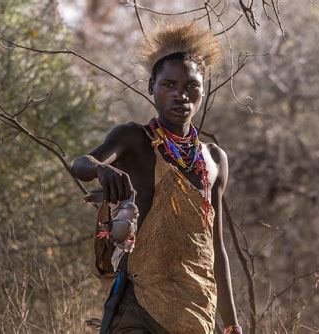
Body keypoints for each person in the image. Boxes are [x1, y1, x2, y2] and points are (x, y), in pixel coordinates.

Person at [71, 21, 242, 334]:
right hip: (137, 306)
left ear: (203, 90)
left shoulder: (214, 159)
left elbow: (215, 247)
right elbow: (80, 163)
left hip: (195, 309)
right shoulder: (133, 140)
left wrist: (231, 325)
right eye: (169, 85)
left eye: (191, 86)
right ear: (151, 87)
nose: (181, 95)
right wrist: (100, 168)